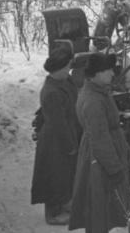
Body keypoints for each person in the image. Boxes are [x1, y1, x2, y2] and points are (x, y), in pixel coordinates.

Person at [69, 53, 130, 233]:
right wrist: (114, 168)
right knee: (99, 206)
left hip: (102, 153)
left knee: (103, 206)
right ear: (95, 74)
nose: (112, 74)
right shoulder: (93, 100)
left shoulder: (99, 92)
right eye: (107, 70)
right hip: (100, 159)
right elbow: (100, 139)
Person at [31, 47, 81, 226]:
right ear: (58, 69)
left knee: (65, 174)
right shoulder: (52, 92)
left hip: (67, 133)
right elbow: (57, 124)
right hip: (55, 140)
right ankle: (52, 214)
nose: (69, 70)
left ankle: (64, 204)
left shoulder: (65, 81)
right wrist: (70, 145)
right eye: (67, 67)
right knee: (53, 175)